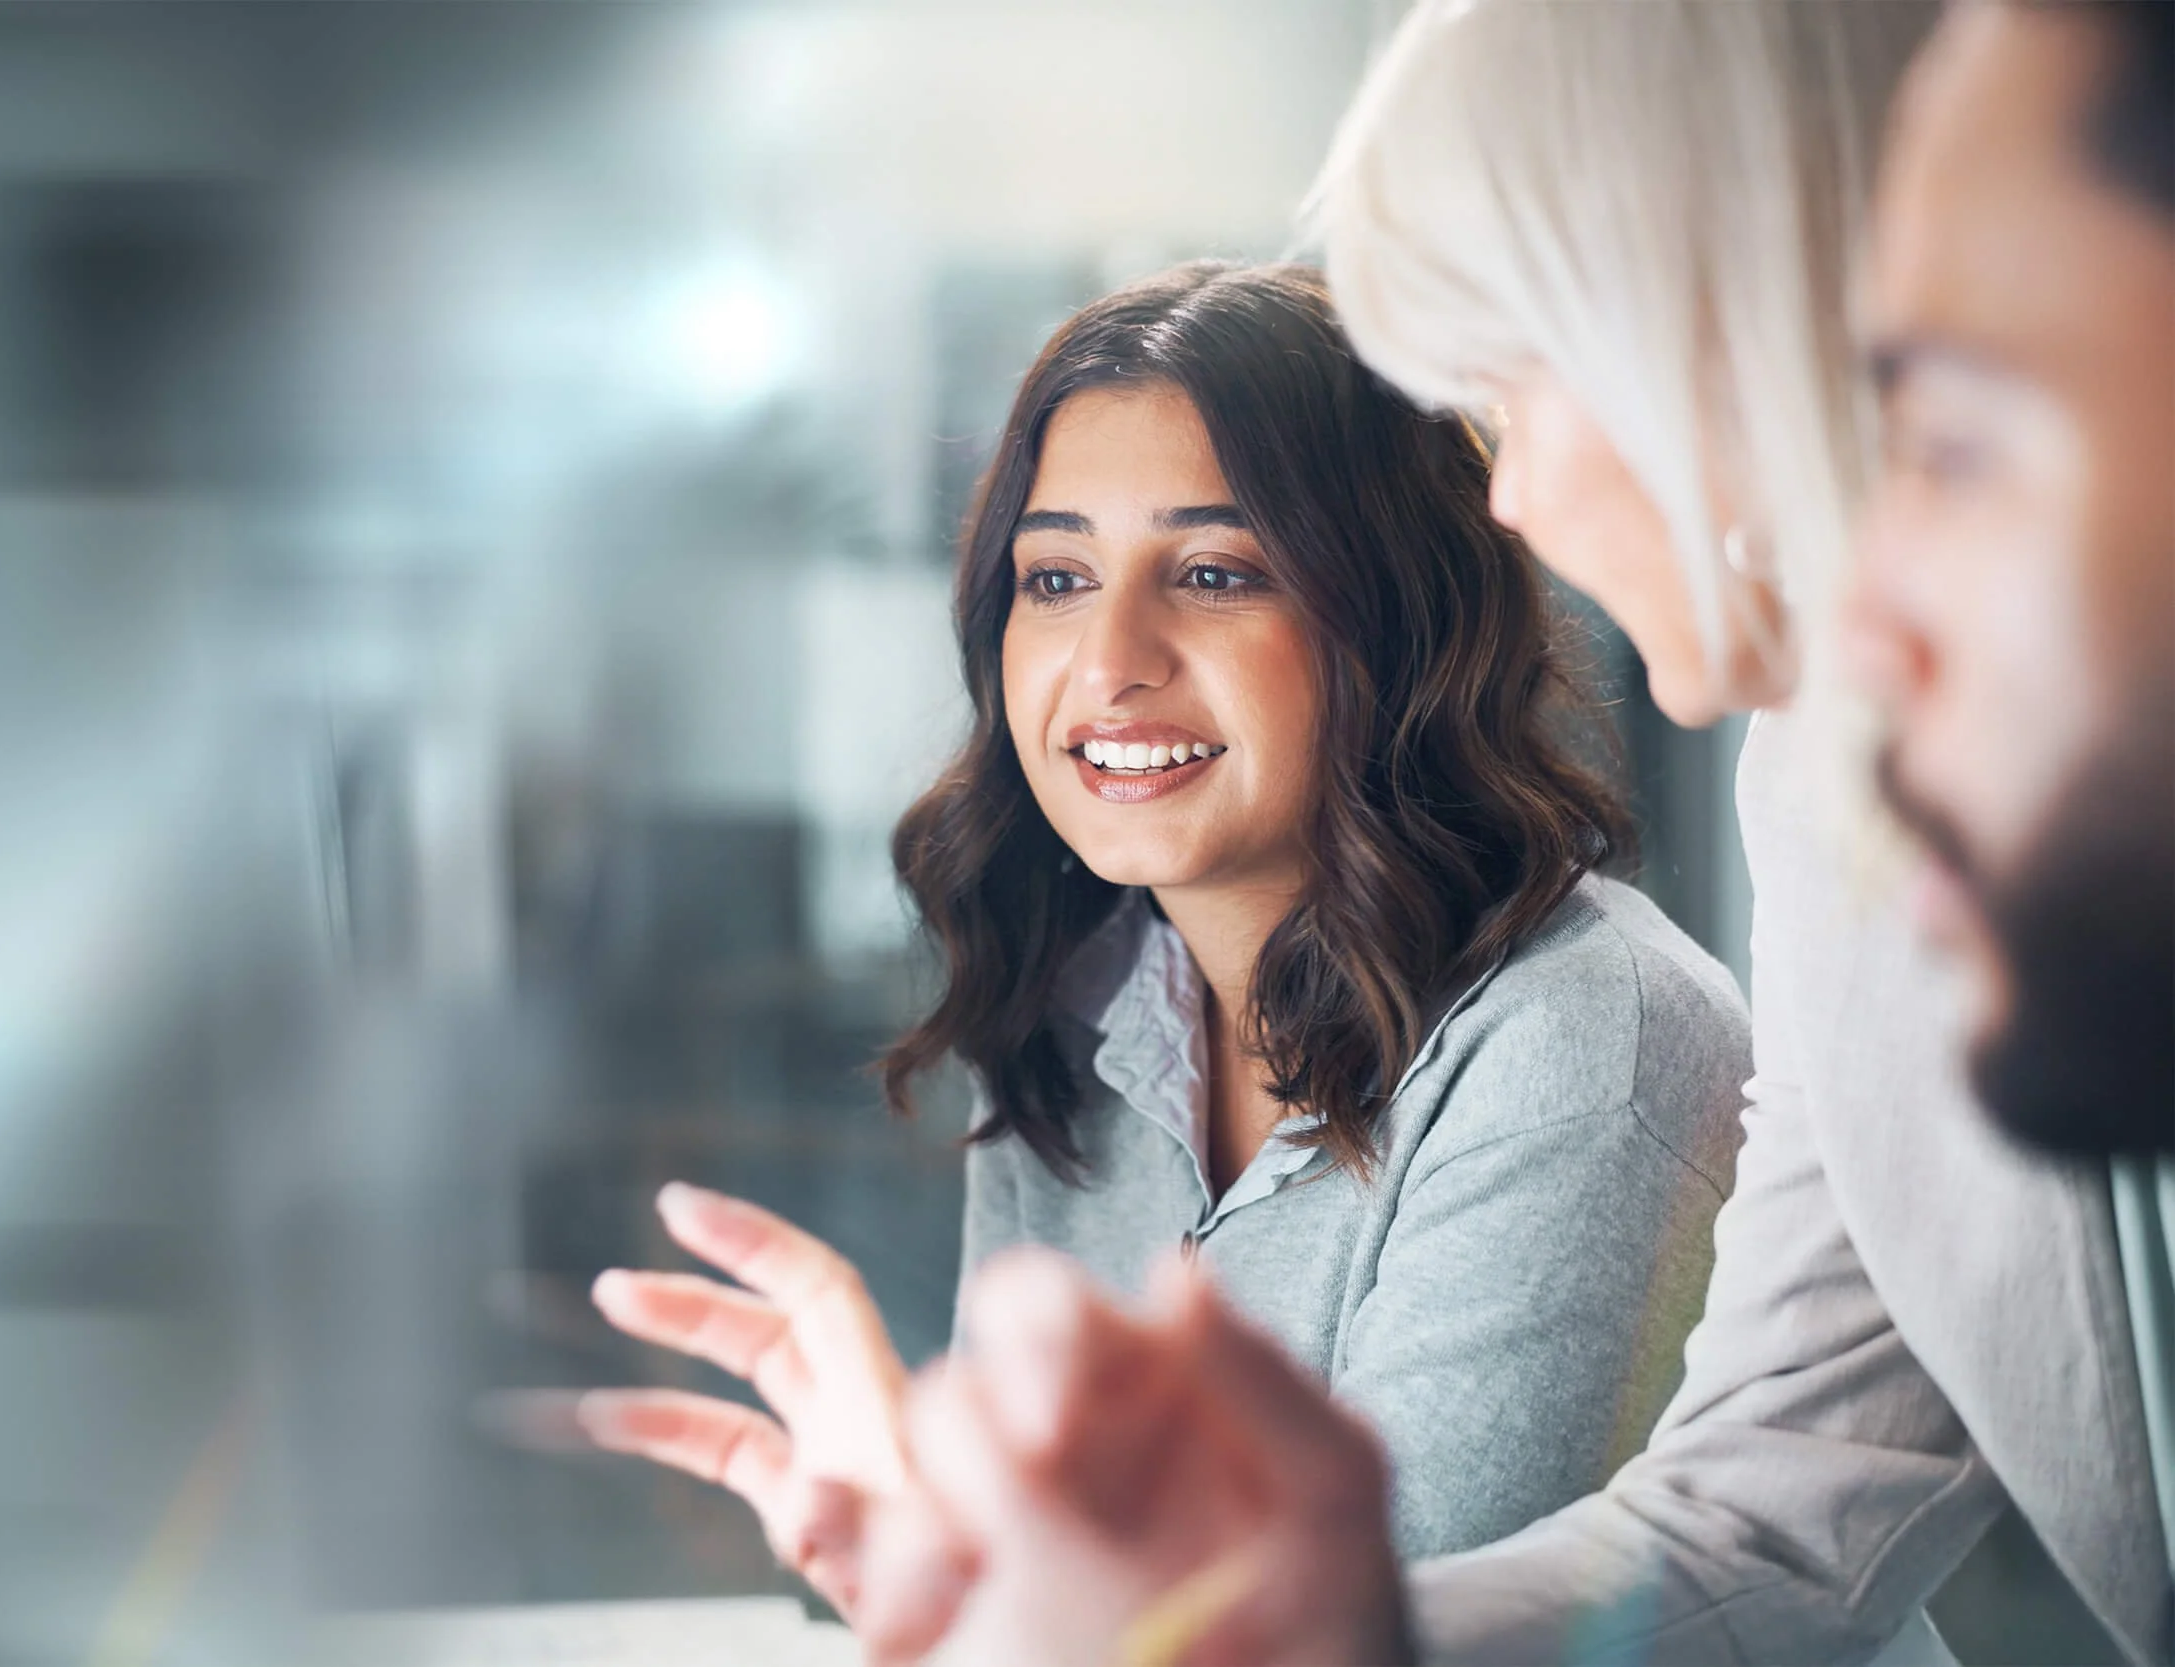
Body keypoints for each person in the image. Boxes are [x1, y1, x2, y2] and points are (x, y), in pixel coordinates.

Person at [849, 3, 2175, 1664]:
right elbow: (1777, 1500)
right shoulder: (1831, 793)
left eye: (1953, 431)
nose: (1512, 501)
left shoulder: (1597, 1023)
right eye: (1052, 576)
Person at [565, 262, 1751, 1618]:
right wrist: (934, 1549)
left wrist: (1007, 1596)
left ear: (1396, 618)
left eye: (1214, 571)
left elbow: (1346, 1642)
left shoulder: (1590, 1038)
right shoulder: (1079, 1000)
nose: (1110, 657)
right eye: (1057, 575)